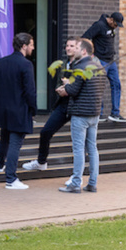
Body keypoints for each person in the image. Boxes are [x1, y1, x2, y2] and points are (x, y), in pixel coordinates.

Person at [56, 38, 106, 193]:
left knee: (78, 149)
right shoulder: (99, 67)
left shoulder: (80, 68)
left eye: (77, 47)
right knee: (92, 147)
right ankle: (92, 183)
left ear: (84, 51)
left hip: (80, 113)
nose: (74, 50)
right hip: (94, 113)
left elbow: (73, 90)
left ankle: (76, 183)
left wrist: (65, 86)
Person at [0, 32, 38, 190]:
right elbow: (30, 91)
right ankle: (11, 179)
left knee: (4, 138)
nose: (33, 48)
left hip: (3, 108)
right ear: (24, 46)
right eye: (31, 45)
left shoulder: (1, 62)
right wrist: (33, 108)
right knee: (15, 144)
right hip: (19, 109)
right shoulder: (26, 64)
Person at [22, 37, 78, 172]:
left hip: (77, 105)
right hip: (63, 105)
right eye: (67, 45)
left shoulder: (82, 65)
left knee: (80, 141)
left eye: (71, 46)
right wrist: (60, 89)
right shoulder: (64, 64)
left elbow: (81, 87)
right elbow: (60, 82)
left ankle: (79, 175)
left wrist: (68, 90)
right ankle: (41, 162)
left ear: (78, 48)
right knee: (46, 132)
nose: (68, 48)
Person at [82, 11, 126, 122]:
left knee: (116, 85)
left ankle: (115, 114)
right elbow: (85, 38)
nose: (116, 27)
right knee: (99, 86)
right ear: (111, 20)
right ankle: (99, 113)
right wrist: (91, 54)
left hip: (111, 61)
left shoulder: (112, 28)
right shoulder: (99, 26)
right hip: (100, 61)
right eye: (115, 24)